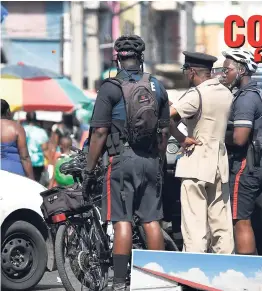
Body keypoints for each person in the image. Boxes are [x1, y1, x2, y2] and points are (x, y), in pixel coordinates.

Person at [82, 35, 170, 290]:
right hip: (151, 160)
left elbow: (99, 132)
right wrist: (158, 160)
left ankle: (120, 283)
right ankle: (158, 281)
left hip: (122, 160)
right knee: (151, 220)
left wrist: (90, 169)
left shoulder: (110, 88)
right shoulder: (157, 86)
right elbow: (164, 131)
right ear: (141, 58)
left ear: (117, 58)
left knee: (122, 220)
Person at [169, 51, 235, 254]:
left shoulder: (196, 94)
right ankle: (225, 271)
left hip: (196, 162)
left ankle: (194, 272)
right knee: (221, 225)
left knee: (194, 226)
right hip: (219, 163)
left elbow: (165, 118)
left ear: (191, 72)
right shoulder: (226, 93)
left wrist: (181, 138)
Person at [221, 49, 262, 255]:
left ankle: (246, 273)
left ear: (241, 70)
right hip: (258, 163)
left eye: (228, 69)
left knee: (240, 220)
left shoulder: (245, 99)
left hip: (245, 165)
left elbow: (240, 139)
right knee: (245, 218)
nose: (224, 74)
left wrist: (213, 137)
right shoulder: (258, 93)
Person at [0, 99, 34, 179]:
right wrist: (32, 179)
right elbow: (24, 157)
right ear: (8, 111)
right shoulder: (17, 128)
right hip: (14, 172)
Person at [23, 112, 49, 182]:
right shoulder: (41, 132)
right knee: (36, 182)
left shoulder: (21, 130)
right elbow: (45, 148)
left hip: (23, 161)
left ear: (26, 119)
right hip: (37, 162)